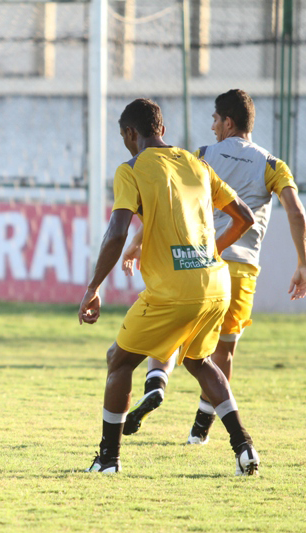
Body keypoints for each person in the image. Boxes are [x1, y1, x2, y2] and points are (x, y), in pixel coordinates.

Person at [79, 98, 259, 475]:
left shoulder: (131, 169)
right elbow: (244, 216)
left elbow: (116, 232)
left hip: (174, 290)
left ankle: (108, 459)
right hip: (216, 282)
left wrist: (94, 285)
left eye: (124, 135)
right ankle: (244, 446)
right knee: (199, 361)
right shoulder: (196, 163)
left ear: (130, 133)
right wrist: (212, 252)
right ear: (161, 128)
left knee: (120, 360)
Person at [121, 89, 306, 443]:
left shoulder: (202, 157)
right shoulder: (272, 164)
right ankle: (201, 429)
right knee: (223, 352)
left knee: (172, 332)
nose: (212, 126)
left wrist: (136, 241)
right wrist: (303, 263)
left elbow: (176, 203)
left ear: (228, 121)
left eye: (215, 119)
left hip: (196, 264)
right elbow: (296, 211)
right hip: (241, 270)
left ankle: (156, 382)